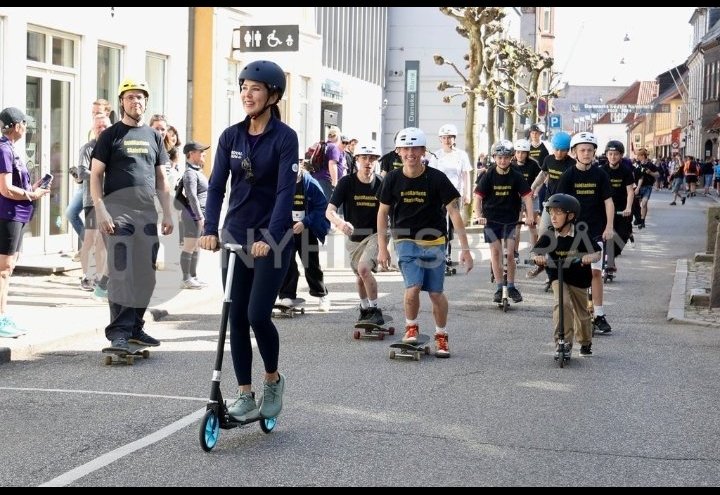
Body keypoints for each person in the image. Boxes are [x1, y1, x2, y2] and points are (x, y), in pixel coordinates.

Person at [199, 60, 297, 422]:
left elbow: (285, 192)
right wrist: (210, 229)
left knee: (257, 314)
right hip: (236, 236)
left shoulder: (284, 138)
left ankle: (272, 380)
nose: (247, 94)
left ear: (272, 95)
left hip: (273, 239)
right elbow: (216, 186)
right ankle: (244, 394)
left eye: (255, 88)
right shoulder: (231, 137)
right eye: (243, 88)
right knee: (235, 316)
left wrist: (270, 236)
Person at [90, 78, 174, 353]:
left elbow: (161, 179)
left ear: (145, 102)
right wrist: (100, 209)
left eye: (140, 97)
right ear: (122, 102)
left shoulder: (154, 136)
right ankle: (119, 333)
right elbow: (95, 176)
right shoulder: (110, 135)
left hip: (147, 214)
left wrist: (167, 213)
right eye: (130, 97)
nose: (135, 101)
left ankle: (135, 327)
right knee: (121, 273)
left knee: (146, 276)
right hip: (117, 214)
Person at [377, 127, 473, 358]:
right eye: (405, 149)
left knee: (436, 293)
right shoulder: (392, 178)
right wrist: (382, 248)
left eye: (415, 148)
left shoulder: (437, 178)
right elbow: (382, 213)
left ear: (423, 151)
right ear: (398, 151)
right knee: (414, 287)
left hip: (435, 241)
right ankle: (411, 327)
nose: (410, 153)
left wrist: (465, 249)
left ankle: (441, 335)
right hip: (405, 240)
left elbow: (454, 212)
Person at [555, 131, 614, 335]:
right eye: (582, 150)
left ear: (594, 152)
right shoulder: (568, 175)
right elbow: (559, 204)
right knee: (574, 275)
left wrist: (609, 226)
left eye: (590, 150)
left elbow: (608, 202)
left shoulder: (601, 175)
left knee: (596, 272)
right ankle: (576, 313)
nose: (586, 153)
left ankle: (599, 314)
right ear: (574, 152)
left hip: (596, 231)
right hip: (573, 232)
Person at [0, 107, 51, 337]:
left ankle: (3, 315)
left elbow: (15, 185)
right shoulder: (4, 149)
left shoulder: (10, 148)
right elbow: (5, 189)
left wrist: (33, 187)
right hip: (8, 215)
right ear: (17, 126)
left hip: (16, 215)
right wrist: (32, 195)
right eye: (25, 124)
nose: (27, 128)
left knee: (8, 268)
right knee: (3, 269)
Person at [531, 194, 600, 358]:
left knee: (582, 315)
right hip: (558, 275)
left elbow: (597, 252)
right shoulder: (549, 234)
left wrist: (589, 257)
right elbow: (535, 252)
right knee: (562, 303)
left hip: (579, 277)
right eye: (551, 213)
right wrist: (538, 258)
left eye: (558, 213)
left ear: (570, 216)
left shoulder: (581, 234)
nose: (553, 217)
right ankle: (563, 342)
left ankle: (585, 341)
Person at [327, 141, 385, 324]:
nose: (368, 162)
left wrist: (386, 245)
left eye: (372, 158)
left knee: (364, 269)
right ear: (357, 159)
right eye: (364, 158)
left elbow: (390, 212)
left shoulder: (381, 183)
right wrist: (340, 223)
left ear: (376, 161)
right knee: (360, 277)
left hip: (375, 234)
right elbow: (329, 211)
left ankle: (375, 309)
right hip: (354, 238)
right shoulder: (346, 182)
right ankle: (364, 308)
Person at [473, 140, 535, 304]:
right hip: (491, 219)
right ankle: (500, 287)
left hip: (510, 219)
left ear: (511, 157)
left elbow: (527, 196)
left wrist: (529, 216)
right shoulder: (488, 175)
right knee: (495, 253)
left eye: (506, 157)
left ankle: (512, 286)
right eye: (499, 157)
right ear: (494, 158)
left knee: (510, 254)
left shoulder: (516, 175)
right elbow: (477, 197)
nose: (503, 161)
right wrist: (478, 215)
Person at [277, 162, 331, 312]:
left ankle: (322, 295)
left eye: (298, 161)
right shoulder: (280, 181)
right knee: (287, 263)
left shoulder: (311, 184)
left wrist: (305, 222)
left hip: (307, 230)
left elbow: (321, 207)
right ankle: (287, 295)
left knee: (311, 264)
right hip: (287, 230)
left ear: (301, 164)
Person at [77, 112, 111, 292]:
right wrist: (101, 174)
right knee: (91, 238)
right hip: (91, 200)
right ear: (93, 128)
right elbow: (82, 172)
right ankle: (86, 276)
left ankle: (99, 276)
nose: (102, 129)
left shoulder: (113, 147)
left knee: (103, 241)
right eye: (99, 126)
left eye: (105, 126)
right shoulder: (88, 148)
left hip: (109, 200)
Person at [431, 123, 472, 268]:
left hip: (455, 194)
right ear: (440, 139)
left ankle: (448, 254)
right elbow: (431, 176)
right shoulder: (436, 155)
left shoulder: (461, 155)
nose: (447, 140)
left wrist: (467, 193)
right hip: (438, 195)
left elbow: (466, 174)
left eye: (449, 137)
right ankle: (441, 254)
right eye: (444, 137)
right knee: (441, 223)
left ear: (454, 139)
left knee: (451, 225)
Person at [600, 140, 634, 274]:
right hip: (605, 208)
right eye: (610, 154)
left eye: (616, 154)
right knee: (606, 236)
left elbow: (630, 191)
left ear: (621, 155)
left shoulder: (626, 171)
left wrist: (628, 208)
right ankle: (608, 262)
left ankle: (611, 258)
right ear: (606, 155)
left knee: (622, 236)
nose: (613, 157)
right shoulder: (601, 170)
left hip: (621, 209)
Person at [179, 140, 209, 289]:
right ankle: (186, 279)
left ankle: (193, 277)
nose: (204, 154)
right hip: (192, 215)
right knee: (189, 246)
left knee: (196, 246)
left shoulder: (197, 171)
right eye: (201, 151)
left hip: (199, 215)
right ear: (191, 154)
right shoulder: (190, 173)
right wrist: (199, 216)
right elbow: (191, 196)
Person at [632, 148, 658, 230]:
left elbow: (657, 174)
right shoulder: (637, 165)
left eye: (638, 156)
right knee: (637, 205)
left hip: (647, 187)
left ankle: (642, 221)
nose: (637, 157)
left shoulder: (650, 165)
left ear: (643, 156)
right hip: (638, 187)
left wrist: (651, 173)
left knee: (644, 203)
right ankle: (638, 218)